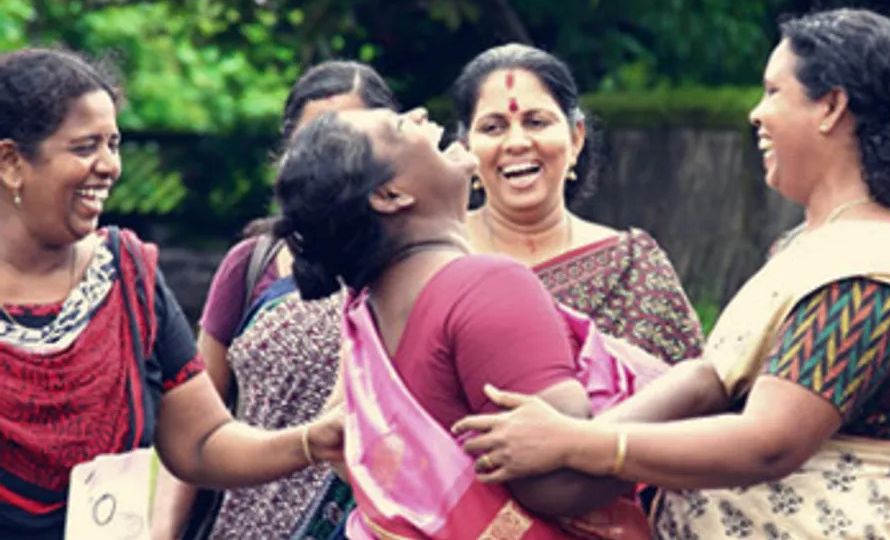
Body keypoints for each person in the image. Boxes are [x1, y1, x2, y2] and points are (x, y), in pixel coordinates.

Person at [451, 9, 890, 538]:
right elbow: (710, 381)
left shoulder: (866, 274)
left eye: (773, 91)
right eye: (493, 127)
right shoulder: (813, 247)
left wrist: (576, 444)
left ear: (831, 106)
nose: (756, 114)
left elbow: (770, 441)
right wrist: (565, 444)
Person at [292, 43, 700, 538]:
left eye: (537, 121)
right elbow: (561, 484)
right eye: (401, 127)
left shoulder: (371, 307)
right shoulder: (484, 284)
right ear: (390, 194)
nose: (420, 114)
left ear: (576, 138)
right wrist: (699, 384)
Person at [0, 48, 342, 540]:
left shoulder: (128, 278)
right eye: (84, 147)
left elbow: (201, 441)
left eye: (113, 144)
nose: (109, 166)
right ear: (11, 162)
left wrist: (310, 441)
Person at [150, 61, 398, 540]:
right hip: (245, 523)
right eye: (314, 144)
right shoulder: (252, 264)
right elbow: (194, 426)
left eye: (352, 142)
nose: (333, 163)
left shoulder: (412, 269)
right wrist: (162, 532)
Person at [457, 43, 703, 365]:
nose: (517, 143)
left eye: (536, 122)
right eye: (493, 127)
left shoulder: (631, 267)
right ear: (466, 148)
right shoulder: (436, 259)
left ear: (576, 138)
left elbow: (693, 394)